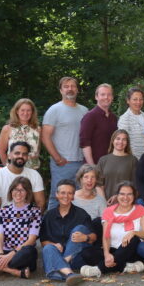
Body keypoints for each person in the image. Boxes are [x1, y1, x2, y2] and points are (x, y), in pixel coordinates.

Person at [38, 179, 96, 286]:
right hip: (56, 253)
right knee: (48, 248)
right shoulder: (49, 216)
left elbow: (94, 237)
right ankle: (69, 274)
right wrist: (54, 244)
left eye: (70, 193)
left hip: (75, 258)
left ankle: (62, 265)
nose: (66, 196)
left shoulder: (81, 214)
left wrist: (85, 237)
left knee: (80, 228)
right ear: (57, 195)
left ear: (73, 196)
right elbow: (43, 241)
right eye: (63, 193)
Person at [41, 76, 88, 207]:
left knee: (78, 199)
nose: (70, 89)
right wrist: (57, 158)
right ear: (61, 90)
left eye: (73, 86)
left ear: (77, 90)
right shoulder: (54, 110)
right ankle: (52, 220)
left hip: (81, 162)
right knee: (58, 197)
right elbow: (45, 136)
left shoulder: (84, 110)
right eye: (66, 87)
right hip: (63, 163)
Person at [90, 181, 144, 275]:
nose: (125, 197)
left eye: (129, 194)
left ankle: (100, 269)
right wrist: (107, 254)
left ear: (134, 196)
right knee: (86, 252)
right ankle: (125, 266)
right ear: (117, 196)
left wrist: (134, 232)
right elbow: (106, 237)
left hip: (132, 251)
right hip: (113, 249)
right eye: (122, 194)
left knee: (134, 239)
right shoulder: (108, 212)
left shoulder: (140, 210)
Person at [0, 141, 46, 208]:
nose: (21, 156)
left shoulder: (34, 175)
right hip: (3, 213)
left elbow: (40, 203)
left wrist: (35, 215)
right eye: (17, 153)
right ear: (9, 156)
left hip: (28, 213)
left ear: (27, 157)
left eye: (24, 154)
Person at [0, 98, 41, 170]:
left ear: (32, 112)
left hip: (33, 169)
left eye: (28, 110)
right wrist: (7, 168)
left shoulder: (37, 129)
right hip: (13, 169)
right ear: (17, 111)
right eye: (22, 110)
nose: (25, 113)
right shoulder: (7, 128)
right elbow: (1, 151)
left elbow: (37, 149)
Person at [80, 83, 117, 165]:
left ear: (112, 97)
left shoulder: (113, 117)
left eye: (109, 94)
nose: (106, 97)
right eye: (103, 94)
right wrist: (92, 166)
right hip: (95, 164)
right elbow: (85, 143)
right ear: (96, 97)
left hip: (110, 163)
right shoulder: (90, 117)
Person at [97, 129, 137, 206]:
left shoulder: (132, 160)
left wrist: (118, 197)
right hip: (105, 202)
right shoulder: (103, 160)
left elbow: (134, 185)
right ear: (113, 141)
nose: (120, 142)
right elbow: (99, 184)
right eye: (118, 139)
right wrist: (104, 202)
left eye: (124, 139)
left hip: (125, 202)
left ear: (127, 143)